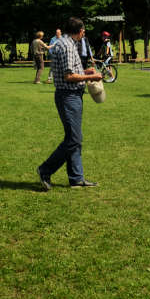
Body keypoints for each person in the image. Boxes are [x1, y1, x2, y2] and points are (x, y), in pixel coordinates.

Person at [38, 17, 102, 190]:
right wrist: (91, 76)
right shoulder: (66, 46)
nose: (84, 33)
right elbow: (69, 76)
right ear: (80, 31)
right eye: (84, 30)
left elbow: (72, 70)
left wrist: (84, 71)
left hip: (72, 95)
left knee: (74, 138)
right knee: (74, 139)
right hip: (68, 96)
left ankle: (76, 178)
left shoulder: (67, 43)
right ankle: (45, 170)